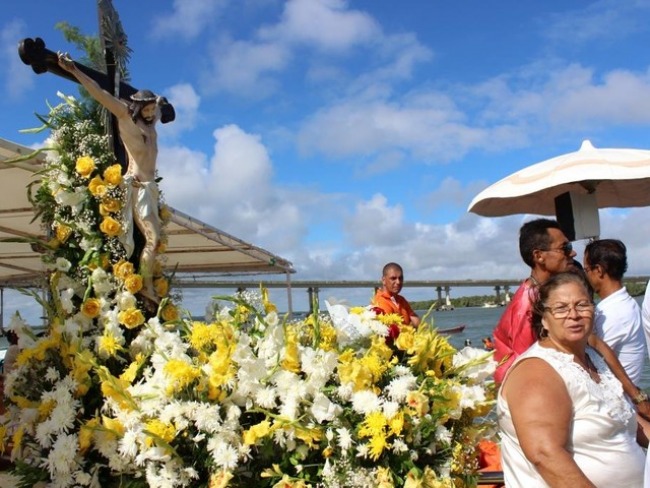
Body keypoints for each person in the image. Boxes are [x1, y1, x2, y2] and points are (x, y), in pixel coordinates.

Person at [498, 272, 646, 487]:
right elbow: (545, 455)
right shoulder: (537, 371)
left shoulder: (592, 358)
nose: (574, 314)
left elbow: (628, 420)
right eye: (560, 308)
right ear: (544, 319)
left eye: (582, 305)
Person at [492, 218, 650, 417]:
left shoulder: (554, 294)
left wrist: (636, 396)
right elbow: (527, 371)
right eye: (565, 248)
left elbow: (594, 343)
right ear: (539, 256)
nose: (572, 253)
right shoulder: (527, 305)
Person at [58, 52, 164, 303]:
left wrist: (161, 103)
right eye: (146, 109)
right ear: (137, 106)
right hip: (137, 187)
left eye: (152, 110)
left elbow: (160, 106)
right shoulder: (125, 116)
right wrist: (74, 71)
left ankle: (145, 283)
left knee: (154, 241)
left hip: (150, 188)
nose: (150, 114)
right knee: (152, 238)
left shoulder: (150, 123)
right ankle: (146, 287)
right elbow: (99, 92)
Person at [584, 239, 646, 384]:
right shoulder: (624, 304)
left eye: (586, 270)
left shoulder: (613, 313)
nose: (585, 275)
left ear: (598, 270)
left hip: (619, 398)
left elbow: (593, 360)